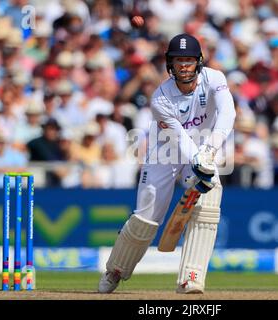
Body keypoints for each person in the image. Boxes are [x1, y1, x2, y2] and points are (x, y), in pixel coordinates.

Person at [98, 33, 236, 294]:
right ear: (169, 64)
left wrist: (208, 151)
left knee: (211, 192)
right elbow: (180, 138)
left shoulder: (215, 79)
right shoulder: (161, 98)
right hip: (165, 152)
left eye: (188, 60)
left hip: (203, 147)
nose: (184, 65)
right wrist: (200, 158)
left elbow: (228, 113)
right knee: (146, 219)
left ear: (198, 62)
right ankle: (115, 270)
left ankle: (191, 277)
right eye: (178, 60)